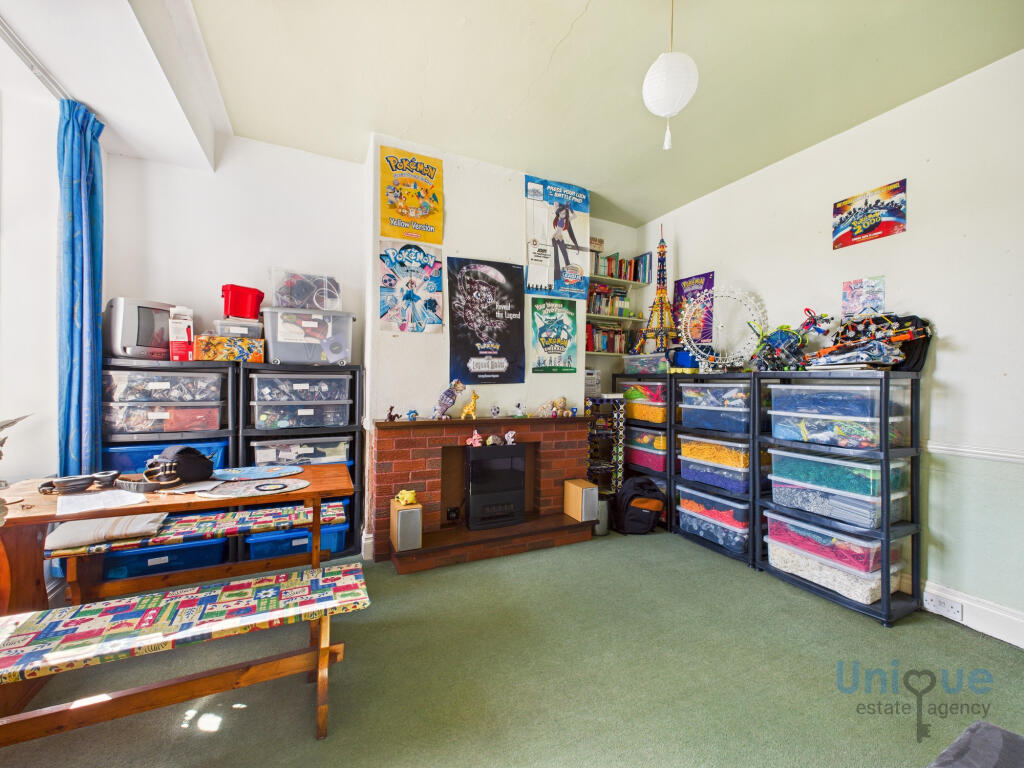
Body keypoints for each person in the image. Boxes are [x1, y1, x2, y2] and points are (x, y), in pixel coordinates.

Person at [551, 203, 579, 282]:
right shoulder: (557, 217)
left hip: (560, 238)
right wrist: (563, 206)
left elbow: (575, 216)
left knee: (565, 256)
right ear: (559, 212)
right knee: (556, 257)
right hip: (555, 238)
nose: (563, 214)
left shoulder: (566, 220)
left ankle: (570, 275)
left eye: (564, 213)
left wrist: (570, 208)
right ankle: (557, 276)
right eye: (561, 213)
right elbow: (555, 203)